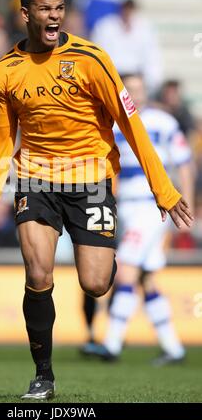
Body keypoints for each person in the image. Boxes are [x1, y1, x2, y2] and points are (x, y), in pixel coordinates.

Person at [0, 0, 193, 399]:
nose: (55, 16)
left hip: (92, 179)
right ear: (25, 14)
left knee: (96, 284)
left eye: (60, 8)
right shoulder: (4, 71)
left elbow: (131, 124)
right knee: (38, 272)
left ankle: (106, 262)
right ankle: (43, 375)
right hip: (36, 177)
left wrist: (164, 189)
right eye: (45, 9)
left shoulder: (91, 59)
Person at [81, 74, 194, 365]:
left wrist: (187, 202)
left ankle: (112, 343)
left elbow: (183, 164)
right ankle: (173, 348)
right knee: (147, 280)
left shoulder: (162, 122)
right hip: (125, 208)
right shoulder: (112, 123)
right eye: (129, 89)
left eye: (139, 88)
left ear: (146, 91)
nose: (135, 94)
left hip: (150, 208)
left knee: (127, 270)